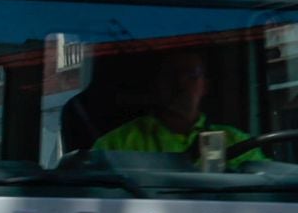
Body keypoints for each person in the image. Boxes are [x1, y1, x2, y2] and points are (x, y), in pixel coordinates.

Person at [93, 49, 250, 160]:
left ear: (205, 86)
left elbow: (265, 182)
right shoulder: (117, 144)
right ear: (157, 84)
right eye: (171, 74)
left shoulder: (234, 141)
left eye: (191, 75)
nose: (181, 82)